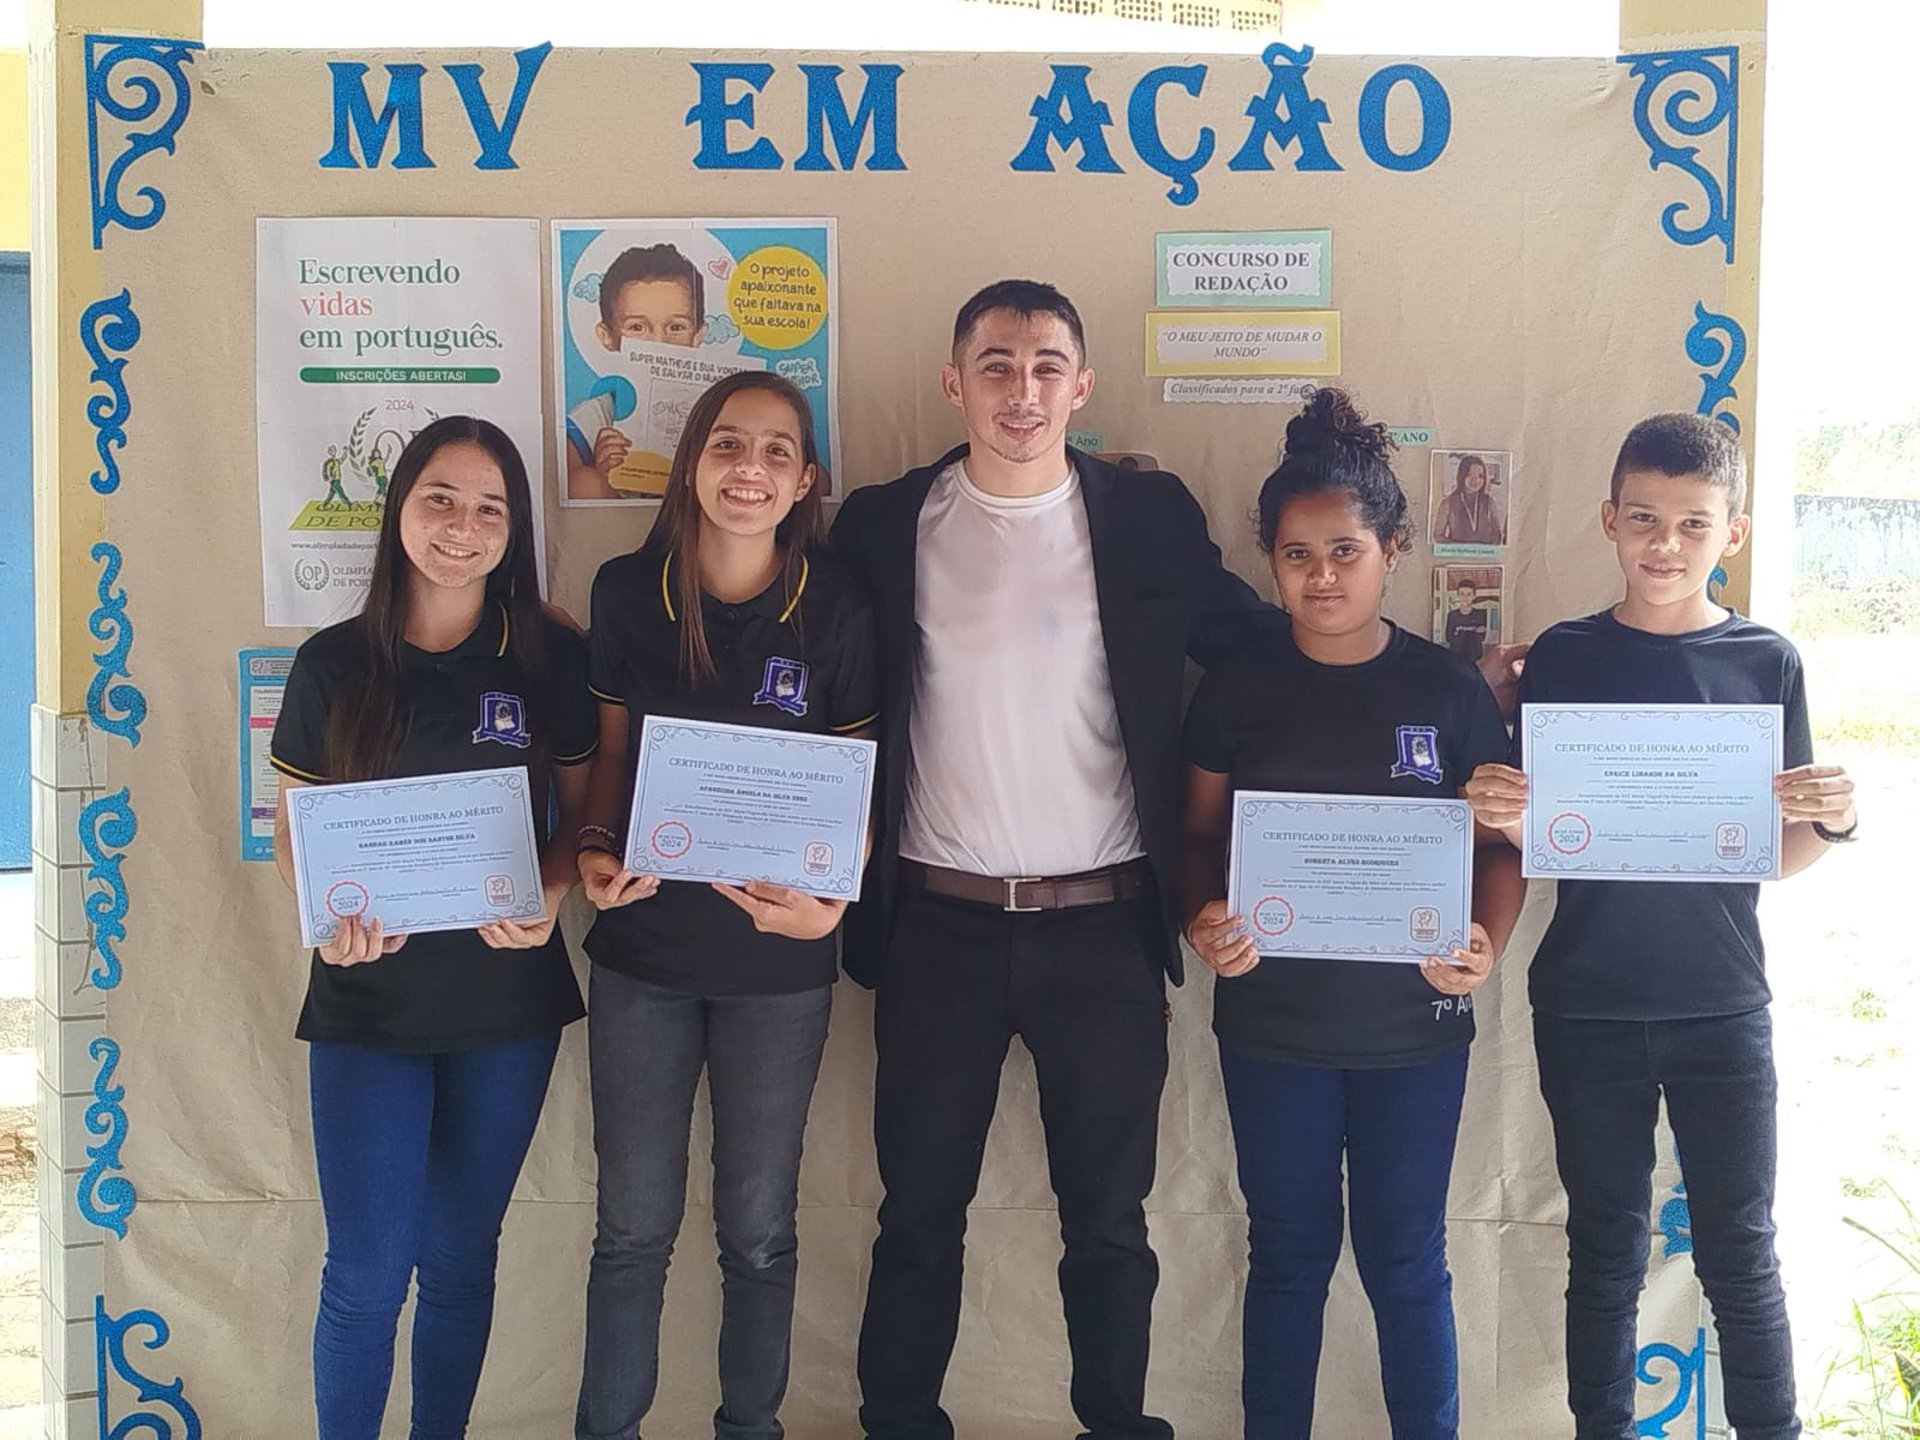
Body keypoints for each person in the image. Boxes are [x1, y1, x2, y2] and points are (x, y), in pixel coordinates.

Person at [831, 278, 1277, 1440]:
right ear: (953, 380)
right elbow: (796, 661)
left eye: (1043, 366)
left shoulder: (1149, 516)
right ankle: (898, 1424)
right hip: (938, 924)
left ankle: (1116, 1424)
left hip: (1105, 926)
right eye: (994, 363)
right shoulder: (885, 525)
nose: (1019, 389)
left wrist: (1426, 679)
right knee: (919, 1214)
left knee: (1110, 1223)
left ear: (1080, 386)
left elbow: (1253, 647)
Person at [1463, 413, 1858, 1440]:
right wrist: (1502, 810)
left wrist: (1836, 820)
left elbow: (1779, 845)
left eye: (1692, 523)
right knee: (1603, 1239)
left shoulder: (1766, 660)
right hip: (1587, 1000)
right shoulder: (1564, 656)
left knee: (1739, 1245)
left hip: (1721, 1001)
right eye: (1644, 518)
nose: (1665, 544)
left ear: (1733, 535)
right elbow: (1533, 834)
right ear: (1609, 519)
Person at [1178, 388, 1525, 1440]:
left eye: (1344, 551)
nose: (1320, 576)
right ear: (1268, 559)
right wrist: (1203, 913)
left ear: (1393, 551)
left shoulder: (1450, 692)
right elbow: (1196, 837)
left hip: (1412, 1032)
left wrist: (1484, 945)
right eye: (1296, 555)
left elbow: (1499, 848)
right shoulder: (1236, 688)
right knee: (1286, 1256)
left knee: (1406, 1259)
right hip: (1273, 1025)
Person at [268, 416, 597, 1440]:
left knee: (461, 1261)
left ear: (516, 528)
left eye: (489, 508)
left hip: (506, 1007)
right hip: (367, 1005)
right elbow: (296, 826)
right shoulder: (331, 664)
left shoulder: (550, 656)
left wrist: (551, 891)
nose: (462, 526)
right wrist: (325, 920)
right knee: (367, 1274)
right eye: (440, 500)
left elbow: (591, 814)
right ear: (399, 513)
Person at [572, 370, 877, 1440]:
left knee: (757, 1232)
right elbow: (609, 757)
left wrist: (831, 906)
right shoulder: (626, 591)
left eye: (777, 452)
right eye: (728, 446)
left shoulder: (837, 606)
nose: (750, 470)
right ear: (694, 462)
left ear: (805, 481)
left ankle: (751, 1428)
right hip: (642, 959)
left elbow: (858, 784)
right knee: (632, 1230)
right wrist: (598, 851)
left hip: (778, 973)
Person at [568, 242, 709, 500]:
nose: (659, 343)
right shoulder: (599, 413)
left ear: (699, 335)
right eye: (637, 328)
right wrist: (604, 477)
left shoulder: (721, 410)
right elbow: (567, 488)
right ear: (607, 336)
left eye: (676, 327)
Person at [1433, 454, 1504, 547]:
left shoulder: (1489, 503)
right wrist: (1460, 550)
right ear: (1462, 476)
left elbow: (1497, 534)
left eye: (1480, 476)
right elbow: (1438, 535)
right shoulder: (1447, 503)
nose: (1475, 480)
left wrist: (1487, 552)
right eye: (1470, 475)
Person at [1443, 578, 1490, 661]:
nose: (1465, 597)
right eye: (1462, 594)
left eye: (1469, 594)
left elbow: (1481, 638)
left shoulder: (1480, 615)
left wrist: (1460, 633)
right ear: (1458, 595)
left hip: (1475, 659)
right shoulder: (1452, 615)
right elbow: (1449, 637)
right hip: (1456, 658)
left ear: (1474, 596)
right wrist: (1471, 632)